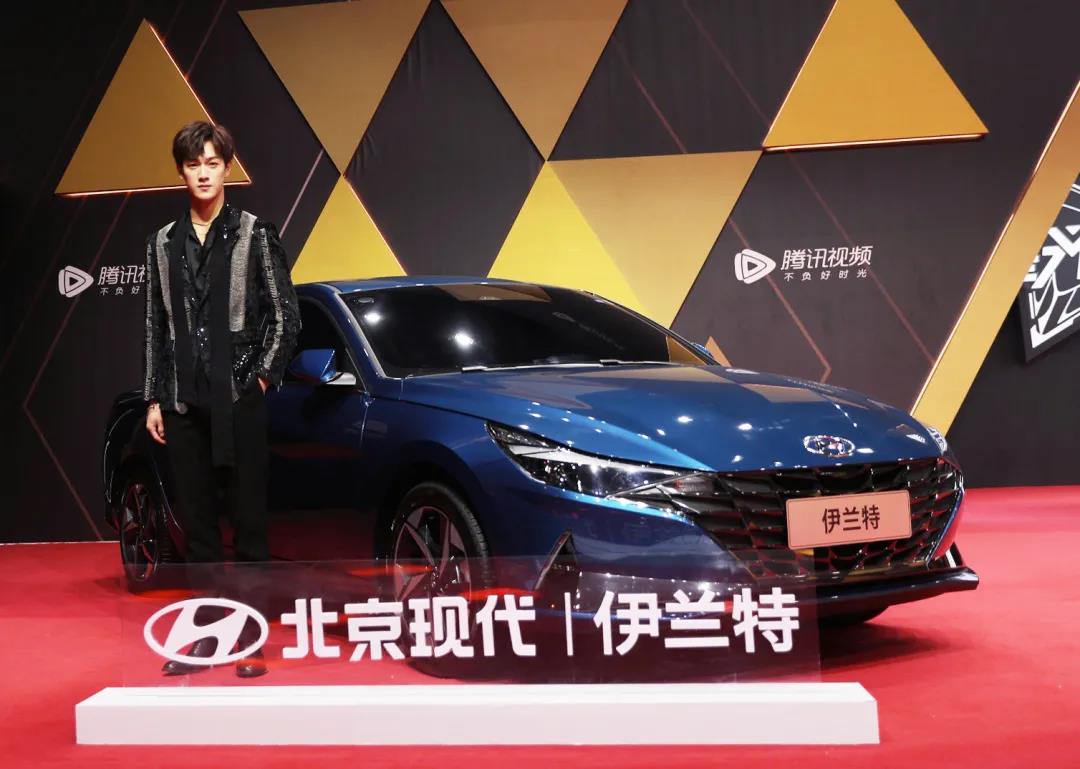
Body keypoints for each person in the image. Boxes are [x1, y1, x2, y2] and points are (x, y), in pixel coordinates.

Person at [141, 121, 300, 677]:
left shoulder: (255, 233)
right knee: (198, 527)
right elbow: (156, 326)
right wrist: (155, 398)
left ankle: (250, 640)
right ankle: (206, 638)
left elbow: (285, 317)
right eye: (193, 164)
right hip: (184, 403)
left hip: (240, 401)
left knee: (249, 525)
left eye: (212, 163)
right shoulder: (161, 243)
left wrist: (259, 381)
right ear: (181, 172)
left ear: (227, 168)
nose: (203, 173)